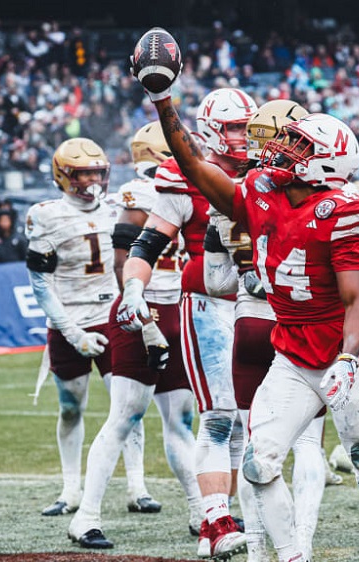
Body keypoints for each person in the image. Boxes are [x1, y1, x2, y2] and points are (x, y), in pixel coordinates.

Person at [124, 48, 359, 561]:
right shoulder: (261, 189)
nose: (281, 149)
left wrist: (347, 359)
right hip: (289, 349)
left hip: (341, 350)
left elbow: (355, 298)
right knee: (258, 462)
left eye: (298, 145)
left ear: (324, 162)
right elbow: (195, 167)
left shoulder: (342, 211)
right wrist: (163, 100)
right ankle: (290, 556)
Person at [119, 87, 257, 559]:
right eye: (234, 127)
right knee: (218, 417)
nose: (243, 136)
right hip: (209, 304)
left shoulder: (268, 171)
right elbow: (147, 245)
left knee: (246, 421)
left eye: (247, 126)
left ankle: (226, 516)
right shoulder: (185, 178)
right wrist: (133, 289)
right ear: (213, 131)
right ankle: (214, 520)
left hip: (258, 305)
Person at [201, 99, 330, 562]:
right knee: (309, 444)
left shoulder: (238, 193)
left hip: (250, 321)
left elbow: (215, 281)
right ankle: (302, 545)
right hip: (301, 324)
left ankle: (259, 550)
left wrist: (248, 273)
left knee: (254, 445)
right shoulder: (323, 192)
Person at [67, 123, 201, 549]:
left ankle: (202, 513)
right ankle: (86, 517)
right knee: (125, 416)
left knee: (181, 420)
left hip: (178, 310)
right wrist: (143, 320)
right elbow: (123, 260)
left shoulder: (189, 188)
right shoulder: (141, 193)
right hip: (143, 311)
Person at [24, 138, 142, 528]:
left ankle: (138, 486)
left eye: (97, 172)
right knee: (71, 407)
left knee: (128, 405)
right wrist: (74, 334)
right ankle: (70, 489)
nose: (93, 180)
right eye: (84, 173)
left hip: (112, 314)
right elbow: (41, 285)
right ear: (64, 176)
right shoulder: (46, 215)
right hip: (69, 319)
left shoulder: (117, 207)